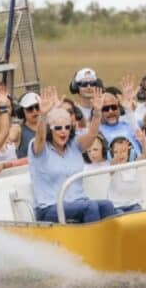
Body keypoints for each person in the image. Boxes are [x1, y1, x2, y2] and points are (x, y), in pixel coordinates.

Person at [29, 86, 115, 223]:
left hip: (78, 202)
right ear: (50, 130)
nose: (63, 131)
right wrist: (43, 115)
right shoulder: (39, 146)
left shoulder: (74, 144)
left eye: (67, 127)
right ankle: (91, 243)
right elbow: (40, 136)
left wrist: (97, 111)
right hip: (49, 208)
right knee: (90, 207)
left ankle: (110, 244)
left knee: (107, 206)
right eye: (58, 128)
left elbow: (92, 134)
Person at [107, 130, 146, 214]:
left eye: (123, 151)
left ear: (129, 152)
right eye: (116, 152)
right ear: (111, 154)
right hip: (117, 206)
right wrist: (118, 153)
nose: (120, 154)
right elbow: (113, 163)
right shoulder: (113, 167)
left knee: (139, 217)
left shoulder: (133, 164)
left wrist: (143, 141)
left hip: (134, 204)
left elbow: (145, 155)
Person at [15, 91, 42, 159]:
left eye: (37, 107)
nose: (34, 111)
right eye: (30, 108)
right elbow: (11, 135)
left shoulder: (49, 127)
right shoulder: (18, 130)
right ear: (22, 112)